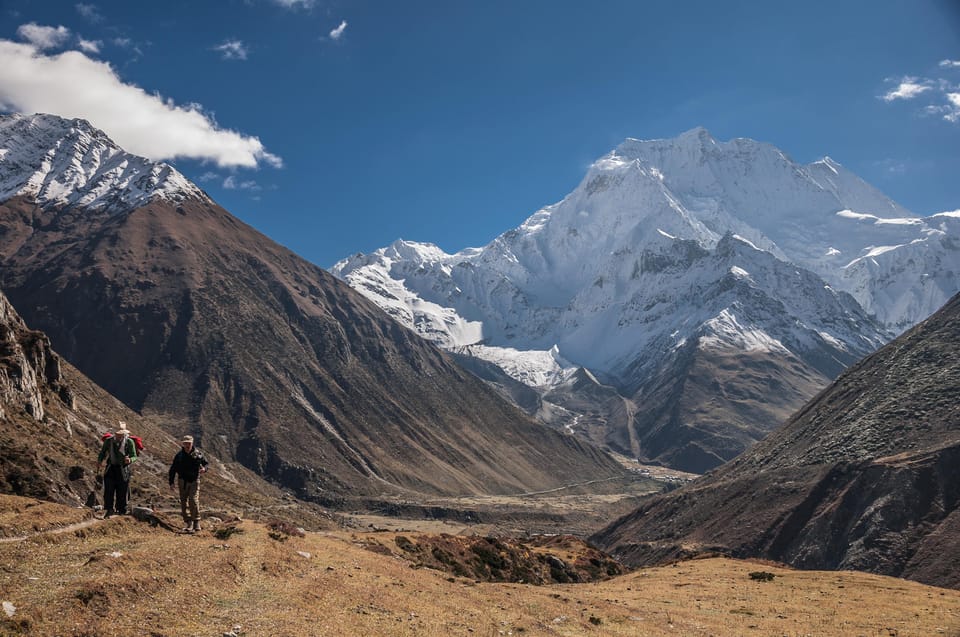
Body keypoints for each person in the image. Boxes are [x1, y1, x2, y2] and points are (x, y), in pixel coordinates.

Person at [168, 435, 209, 533]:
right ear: (183, 443)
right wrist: (171, 482)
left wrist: (204, 469)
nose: (187, 445)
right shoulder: (179, 456)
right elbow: (173, 469)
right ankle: (188, 522)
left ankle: (196, 521)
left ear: (192, 443)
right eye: (185, 443)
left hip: (194, 480)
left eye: (189, 443)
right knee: (183, 502)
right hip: (182, 481)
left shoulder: (198, 454)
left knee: (193, 500)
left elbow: (206, 463)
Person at [96, 422, 137, 516]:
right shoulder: (109, 441)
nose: (119, 436)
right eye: (118, 434)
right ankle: (109, 508)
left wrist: (130, 460)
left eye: (121, 434)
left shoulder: (129, 442)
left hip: (123, 469)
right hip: (111, 468)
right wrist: (99, 461)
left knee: (122, 490)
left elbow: (134, 456)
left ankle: (121, 509)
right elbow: (103, 452)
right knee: (109, 489)